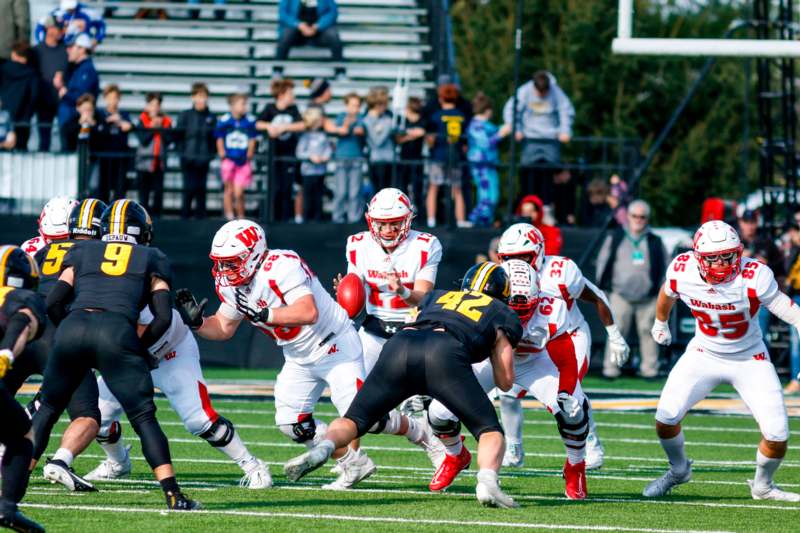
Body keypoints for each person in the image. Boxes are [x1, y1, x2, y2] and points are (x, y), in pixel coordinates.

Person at [176, 219, 421, 490]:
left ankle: (421, 433)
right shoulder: (231, 286)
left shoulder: (281, 265)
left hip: (334, 344)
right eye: (221, 262)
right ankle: (353, 464)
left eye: (231, 262)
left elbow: (308, 312)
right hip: (298, 356)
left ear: (254, 254)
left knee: (364, 418)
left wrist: (268, 314)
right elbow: (223, 327)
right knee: (292, 423)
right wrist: (198, 323)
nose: (224, 269)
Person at [283, 262, 523, 508]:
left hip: (400, 343)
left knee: (353, 420)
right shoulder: (501, 313)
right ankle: (487, 482)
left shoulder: (440, 296)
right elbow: (505, 382)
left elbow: (419, 313)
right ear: (503, 294)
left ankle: (325, 447)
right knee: (489, 430)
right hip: (445, 354)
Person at [30, 199, 200, 510]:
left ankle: (13, 483)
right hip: (116, 333)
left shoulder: (80, 250)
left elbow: (53, 302)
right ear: (141, 232)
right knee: (144, 417)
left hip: (73, 329)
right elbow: (163, 318)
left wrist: (70, 330)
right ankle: (173, 494)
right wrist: (137, 347)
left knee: (48, 409)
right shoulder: (152, 257)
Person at [645, 220, 800, 502]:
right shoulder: (682, 270)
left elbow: (783, 307)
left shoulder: (753, 275)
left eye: (727, 255)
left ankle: (762, 486)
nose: (720, 263)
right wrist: (660, 322)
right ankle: (678, 470)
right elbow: (667, 293)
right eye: (712, 257)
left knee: (777, 436)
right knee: (665, 419)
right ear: (697, 257)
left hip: (750, 358)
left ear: (738, 253)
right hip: (704, 353)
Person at [424, 260, 591, 498]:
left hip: (534, 361)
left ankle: (575, 466)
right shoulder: (479, 300)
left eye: (522, 310)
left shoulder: (551, 308)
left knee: (574, 410)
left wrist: (566, 390)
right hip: (488, 359)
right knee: (439, 412)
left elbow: (565, 356)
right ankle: (455, 455)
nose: (516, 317)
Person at [496, 222, 629, 470]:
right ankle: (513, 448)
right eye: (510, 258)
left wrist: (614, 334)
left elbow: (596, 295)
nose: (519, 264)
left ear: (538, 252)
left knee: (570, 394)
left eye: (524, 257)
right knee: (506, 392)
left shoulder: (561, 271)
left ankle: (591, 444)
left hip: (569, 333)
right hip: (528, 340)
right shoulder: (502, 275)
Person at [0, 244, 47, 533]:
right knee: (22, 435)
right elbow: (21, 320)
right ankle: (6, 508)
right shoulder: (22, 297)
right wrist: (6, 354)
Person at [596, 199, 667, 380]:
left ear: (648, 218)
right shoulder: (616, 236)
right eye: (635, 216)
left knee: (649, 334)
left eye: (642, 217)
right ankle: (610, 370)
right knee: (615, 332)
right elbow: (602, 262)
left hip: (648, 297)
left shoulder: (655, 240)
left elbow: (666, 268)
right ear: (628, 217)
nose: (638, 219)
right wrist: (601, 288)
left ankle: (649, 370)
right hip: (620, 294)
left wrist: (661, 293)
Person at [503, 70, 574, 207]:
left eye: (544, 92)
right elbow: (511, 109)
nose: (541, 95)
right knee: (528, 173)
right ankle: (527, 206)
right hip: (530, 139)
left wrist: (565, 130)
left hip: (550, 139)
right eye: (539, 92)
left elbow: (566, 110)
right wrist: (516, 129)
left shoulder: (556, 92)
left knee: (548, 174)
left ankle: (546, 206)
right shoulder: (524, 91)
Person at [256, 78, 305, 222]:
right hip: (274, 156)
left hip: (289, 155)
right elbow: (258, 123)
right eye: (290, 93)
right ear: (282, 94)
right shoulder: (270, 108)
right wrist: (269, 127)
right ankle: (272, 218)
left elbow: (302, 124)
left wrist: (284, 127)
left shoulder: (293, 110)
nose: (293, 96)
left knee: (287, 188)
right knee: (274, 188)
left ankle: (285, 219)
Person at [738, 209, 785, 347]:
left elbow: (780, 271)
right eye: (746, 222)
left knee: (760, 336)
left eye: (752, 222)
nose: (749, 226)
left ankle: (761, 365)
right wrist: (741, 257)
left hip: (760, 297)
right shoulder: (733, 241)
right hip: (736, 295)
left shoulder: (767, 242)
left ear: (757, 223)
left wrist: (764, 264)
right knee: (736, 338)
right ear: (741, 223)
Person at [425, 83, 468, 228]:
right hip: (455, 157)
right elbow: (464, 143)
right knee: (457, 190)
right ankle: (461, 220)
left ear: (441, 99)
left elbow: (430, 140)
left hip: (438, 156)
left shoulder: (436, 116)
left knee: (433, 188)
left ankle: (431, 220)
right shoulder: (461, 116)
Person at [275, 0, 345, 79]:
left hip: (319, 32)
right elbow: (283, 13)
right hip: (296, 31)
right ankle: (277, 71)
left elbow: (332, 12)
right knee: (285, 35)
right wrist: (298, 25)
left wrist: (318, 26)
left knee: (333, 36)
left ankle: (340, 72)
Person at [176, 83, 216, 220]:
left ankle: (201, 218)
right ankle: (185, 217)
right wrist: (183, 154)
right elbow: (178, 136)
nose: (201, 99)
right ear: (193, 97)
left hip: (204, 159)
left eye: (204, 96)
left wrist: (210, 155)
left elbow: (214, 139)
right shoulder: (185, 115)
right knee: (188, 189)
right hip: (188, 159)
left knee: (201, 190)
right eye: (198, 96)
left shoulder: (211, 117)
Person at [215, 93, 258, 220]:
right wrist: (221, 152)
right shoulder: (224, 120)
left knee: (239, 192)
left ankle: (241, 217)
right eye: (242, 104)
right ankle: (229, 216)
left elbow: (252, 138)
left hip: (243, 161)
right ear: (232, 105)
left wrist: (250, 152)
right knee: (228, 190)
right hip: (229, 159)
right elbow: (219, 137)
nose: (245, 107)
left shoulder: (249, 121)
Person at [56, 33, 99, 152]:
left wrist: (65, 94)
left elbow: (83, 97)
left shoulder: (86, 70)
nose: (68, 50)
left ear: (82, 49)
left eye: (72, 47)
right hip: (70, 121)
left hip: (76, 122)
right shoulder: (77, 68)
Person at [467, 92, 503, 227]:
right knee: (488, 197)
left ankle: (485, 221)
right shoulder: (476, 125)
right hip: (481, 165)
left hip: (488, 164)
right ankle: (475, 220)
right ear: (488, 111)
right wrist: (500, 134)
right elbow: (485, 143)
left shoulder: (484, 125)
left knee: (492, 195)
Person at [33, 16, 68, 152]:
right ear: (49, 29)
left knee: (64, 138)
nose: (62, 31)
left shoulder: (66, 50)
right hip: (43, 101)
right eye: (59, 28)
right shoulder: (37, 51)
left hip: (62, 101)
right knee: (44, 139)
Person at [135, 92, 172, 217]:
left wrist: (161, 127)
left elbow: (169, 140)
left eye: (157, 104)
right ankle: (143, 218)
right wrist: (152, 127)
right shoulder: (142, 120)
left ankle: (157, 217)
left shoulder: (166, 121)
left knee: (158, 192)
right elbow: (142, 139)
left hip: (159, 162)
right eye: (152, 104)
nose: (154, 107)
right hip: (144, 163)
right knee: (144, 193)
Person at [331, 92, 364, 223]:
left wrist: (349, 126)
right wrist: (347, 124)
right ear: (346, 105)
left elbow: (360, 131)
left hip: (356, 158)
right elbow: (342, 130)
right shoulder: (341, 116)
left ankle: (353, 219)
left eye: (357, 106)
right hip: (341, 158)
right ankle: (337, 218)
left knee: (354, 192)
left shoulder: (361, 117)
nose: (354, 109)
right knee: (340, 191)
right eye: (351, 105)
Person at [95, 84, 132, 203]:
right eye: (110, 97)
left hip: (120, 156)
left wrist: (119, 121)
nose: (112, 101)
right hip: (104, 156)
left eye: (115, 98)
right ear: (105, 98)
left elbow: (129, 126)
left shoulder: (124, 114)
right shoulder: (100, 114)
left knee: (120, 188)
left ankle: (118, 214)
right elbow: (97, 129)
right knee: (103, 187)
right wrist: (108, 121)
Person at [0, 41, 39, 151]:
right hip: (23, 120)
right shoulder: (32, 74)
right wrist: (28, 114)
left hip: (2, 117)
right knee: (21, 155)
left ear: (14, 54)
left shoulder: (3, 69)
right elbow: (34, 96)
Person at [295, 106, 331, 222]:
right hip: (307, 172)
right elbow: (299, 152)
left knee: (318, 196)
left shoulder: (323, 136)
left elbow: (328, 148)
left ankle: (318, 218)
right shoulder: (305, 136)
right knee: (307, 197)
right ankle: (306, 218)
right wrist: (311, 157)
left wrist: (326, 156)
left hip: (320, 172)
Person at [395, 96, 426, 210]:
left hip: (417, 158)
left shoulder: (422, 120)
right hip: (404, 158)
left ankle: (418, 212)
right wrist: (411, 135)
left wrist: (407, 135)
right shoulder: (402, 120)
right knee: (402, 186)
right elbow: (398, 139)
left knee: (417, 186)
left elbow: (422, 132)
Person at [362, 86, 394, 192]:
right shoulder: (367, 120)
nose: (385, 106)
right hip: (377, 161)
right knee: (379, 192)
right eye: (383, 104)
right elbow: (377, 141)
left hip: (389, 160)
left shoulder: (386, 117)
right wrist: (388, 126)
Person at [36, 0, 106, 46]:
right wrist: (43, 44)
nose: (69, 11)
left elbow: (101, 25)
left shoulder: (88, 12)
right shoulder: (57, 13)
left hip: (81, 50)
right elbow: (40, 27)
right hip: (64, 49)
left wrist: (97, 40)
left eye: (71, 8)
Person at [784, 221, 800, 395]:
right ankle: (796, 379)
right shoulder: (793, 250)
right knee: (796, 341)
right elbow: (787, 269)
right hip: (796, 295)